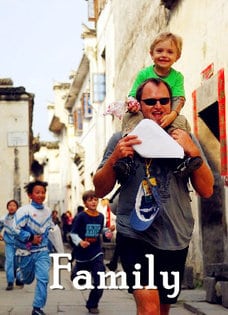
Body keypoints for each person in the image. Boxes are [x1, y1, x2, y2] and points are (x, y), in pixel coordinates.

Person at [93, 78, 214, 315]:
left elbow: (207, 189)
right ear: (138, 105)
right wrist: (115, 157)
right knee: (149, 309)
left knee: (162, 309)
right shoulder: (122, 140)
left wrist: (193, 150)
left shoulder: (185, 138)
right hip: (134, 234)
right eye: (150, 101)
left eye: (164, 100)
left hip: (175, 238)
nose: (157, 106)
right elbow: (99, 189)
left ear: (171, 104)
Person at [110, 32, 202, 182]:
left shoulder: (177, 77)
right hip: (143, 117)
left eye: (170, 52)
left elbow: (179, 98)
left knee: (181, 121)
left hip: (168, 115)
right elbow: (133, 95)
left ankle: (181, 159)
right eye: (159, 51)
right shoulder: (144, 74)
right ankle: (128, 158)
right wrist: (133, 105)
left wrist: (173, 114)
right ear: (151, 54)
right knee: (130, 117)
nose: (164, 55)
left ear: (177, 57)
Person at [70, 190, 115, 314]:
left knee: (100, 279)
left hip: (96, 252)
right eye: (90, 200)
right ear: (85, 203)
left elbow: (103, 233)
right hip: (82, 255)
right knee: (78, 279)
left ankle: (92, 304)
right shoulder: (81, 216)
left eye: (95, 199)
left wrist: (109, 231)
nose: (93, 202)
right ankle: (75, 272)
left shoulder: (100, 216)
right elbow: (73, 233)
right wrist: (80, 242)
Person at [13, 180, 54, 315]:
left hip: (42, 251)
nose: (41, 195)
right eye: (37, 192)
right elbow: (15, 229)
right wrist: (31, 238)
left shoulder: (48, 211)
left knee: (43, 279)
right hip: (26, 252)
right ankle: (19, 274)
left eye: (43, 192)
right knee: (27, 279)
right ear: (30, 195)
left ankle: (37, 308)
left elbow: (50, 230)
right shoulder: (24, 211)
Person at [0, 199, 24, 290]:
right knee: (9, 262)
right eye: (10, 205)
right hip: (9, 244)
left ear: (17, 208)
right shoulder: (3, 218)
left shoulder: (21, 218)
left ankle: (18, 278)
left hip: (19, 244)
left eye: (14, 205)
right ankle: (10, 282)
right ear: (7, 207)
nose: (11, 207)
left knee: (18, 262)